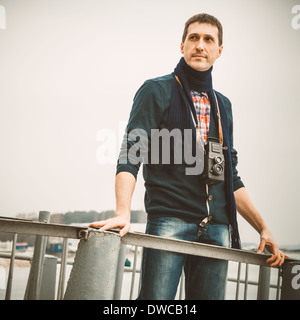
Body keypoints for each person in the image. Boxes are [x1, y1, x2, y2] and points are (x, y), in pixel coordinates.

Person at [90, 13, 287, 300]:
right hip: (170, 220)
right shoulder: (156, 90)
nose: (200, 45)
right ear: (181, 45)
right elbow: (131, 154)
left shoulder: (223, 106)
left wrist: (263, 228)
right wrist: (123, 211)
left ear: (219, 51)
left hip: (218, 227)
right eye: (193, 38)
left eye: (209, 39)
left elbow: (230, 176)